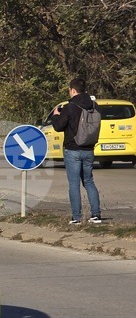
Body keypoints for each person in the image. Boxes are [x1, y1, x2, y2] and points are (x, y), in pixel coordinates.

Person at [51, 77, 102, 224]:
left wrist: (56, 116)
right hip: (89, 148)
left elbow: (58, 126)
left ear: (73, 90)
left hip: (72, 149)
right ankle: (96, 215)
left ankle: (76, 218)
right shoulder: (95, 106)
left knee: (74, 184)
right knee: (89, 181)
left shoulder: (70, 106)